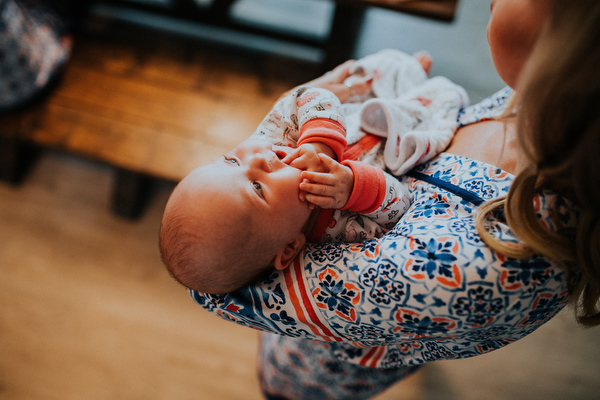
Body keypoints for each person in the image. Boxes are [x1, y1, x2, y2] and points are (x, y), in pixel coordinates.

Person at [185, 0, 600, 398]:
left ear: (572, 54)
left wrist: (330, 155)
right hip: (313, 322)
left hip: (329, 364)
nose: (256, 155)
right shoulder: (545, 106)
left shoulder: (480, 269)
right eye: (238, 168)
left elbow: (213, 283)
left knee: (290, 387)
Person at [160, 50, 467, 295]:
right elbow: (401, 207)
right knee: (442, 108)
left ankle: (411, 77)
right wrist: (354, 188)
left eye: (229, 161)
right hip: (402, 144)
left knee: (383, 70)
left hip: (354, 115)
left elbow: (305, 98)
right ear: (291, 246)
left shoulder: (272, 140)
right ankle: (421, 90)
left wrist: (320, 144)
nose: (256, 160)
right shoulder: (338, 235)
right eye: (257, 188)